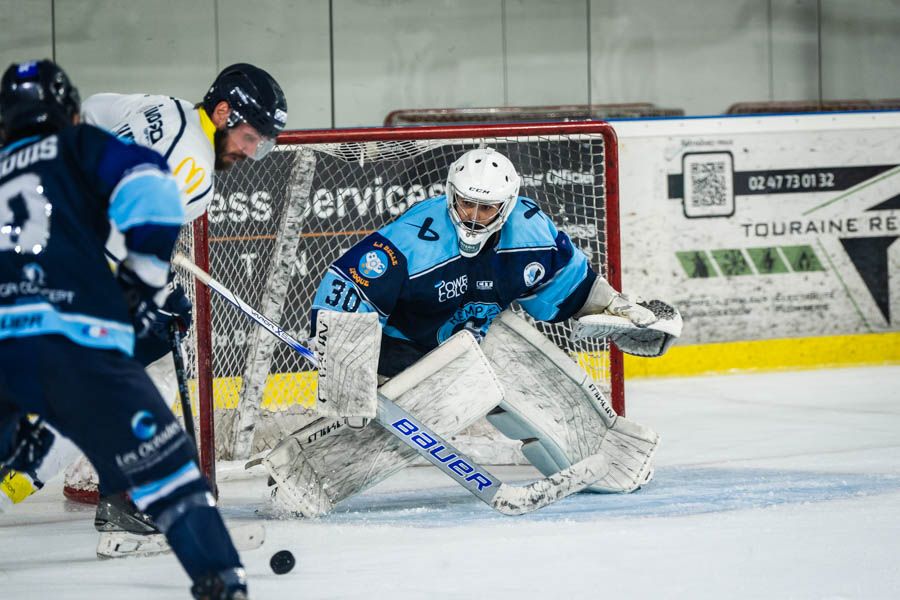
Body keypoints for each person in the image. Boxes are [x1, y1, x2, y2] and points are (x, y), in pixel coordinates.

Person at [260, 147, 680, 517]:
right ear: (450, 195)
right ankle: (303, 473)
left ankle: (609, 455)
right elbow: (345, 290)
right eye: (465, 205)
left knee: (528, 368)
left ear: (508, 204)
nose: (474, 218)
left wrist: (615, 309)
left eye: (487, 209)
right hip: (399, 348)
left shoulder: (530, 229)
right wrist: (348, 367)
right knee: (451, 393)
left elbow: (570, 286)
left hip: (474, 336)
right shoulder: (412, 240)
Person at [0, 64, 288, 534]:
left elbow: (91, 111)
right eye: (251, 137)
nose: (252, 152)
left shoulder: (162, 108)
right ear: (222, 112)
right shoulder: (194, 170)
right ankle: (86, 489)